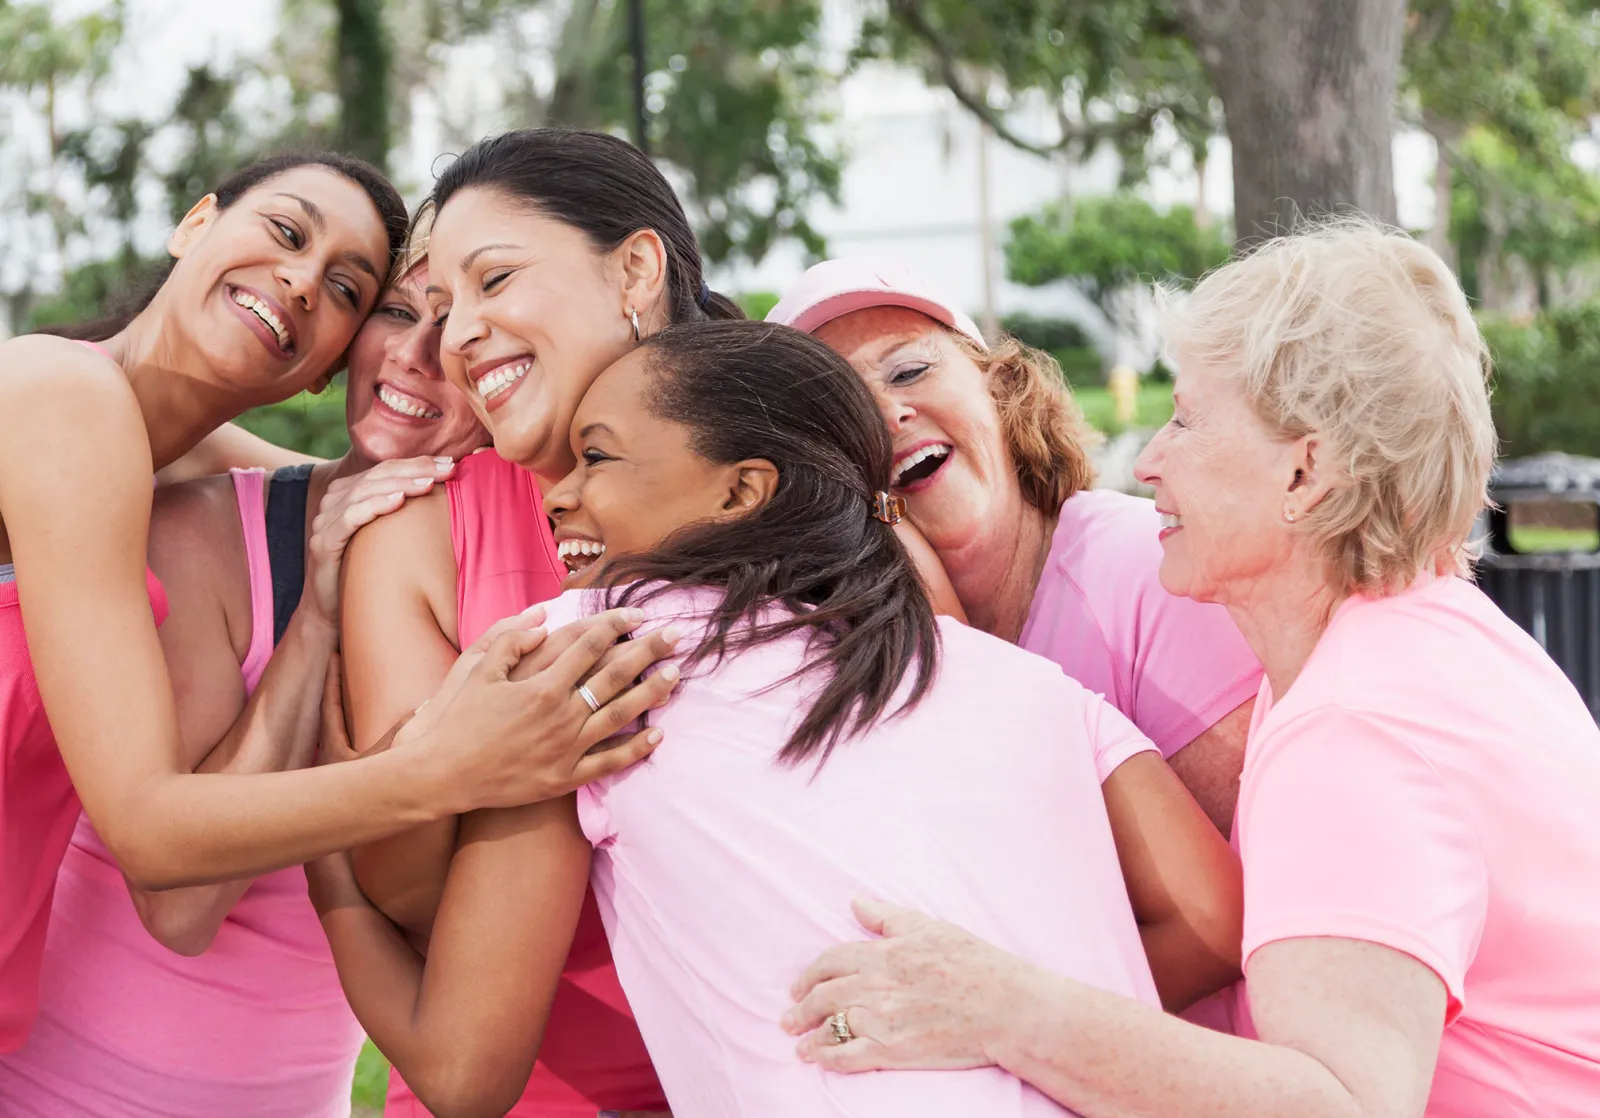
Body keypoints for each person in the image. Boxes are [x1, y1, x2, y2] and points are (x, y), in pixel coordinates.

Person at [314, 320, 1242, 1118]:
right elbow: (1211, 917)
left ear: (740, 492)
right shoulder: (1033, 687)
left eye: (596, 456)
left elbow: (462, 1069)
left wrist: (327, 868)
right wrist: (999, 1028)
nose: (558, 491)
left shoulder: (600, 656)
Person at [783, 221, 1600, 1118]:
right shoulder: (1411, 636)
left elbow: (1339, 1106)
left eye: (1187, 419)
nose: (1147, 461)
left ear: (1304, 473)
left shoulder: (1353, 728)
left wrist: (996, 1008)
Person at [341, 128, 962, 1118]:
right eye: (443, 303)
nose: (456, 334)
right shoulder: (414, 529)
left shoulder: (811, 505)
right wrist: (459, 755)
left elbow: (940, 826)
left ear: (634, 268)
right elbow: (403, 890)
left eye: (493, 279)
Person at [0, 151, 677, 1054]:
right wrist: (449, 767)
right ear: (194, 224)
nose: (299, 280)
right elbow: (156, 843)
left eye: (349, 288)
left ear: (327, 364)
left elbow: (311, 491)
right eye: (286, 230)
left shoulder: (161, 459)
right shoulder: (65, 398)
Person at [0, 230, 491, 1112]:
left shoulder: (514, 585)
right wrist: (318, 614)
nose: (417, 356)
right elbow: (180, 907)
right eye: (395, 311)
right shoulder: (203, 531)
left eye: (456, 329)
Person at [768, 259, 1261, 833]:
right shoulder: (828, 643)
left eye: (908, 371)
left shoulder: (1147, 566)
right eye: (839, 412)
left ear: (998, 386)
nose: (885, 415)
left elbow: (1254, 887)